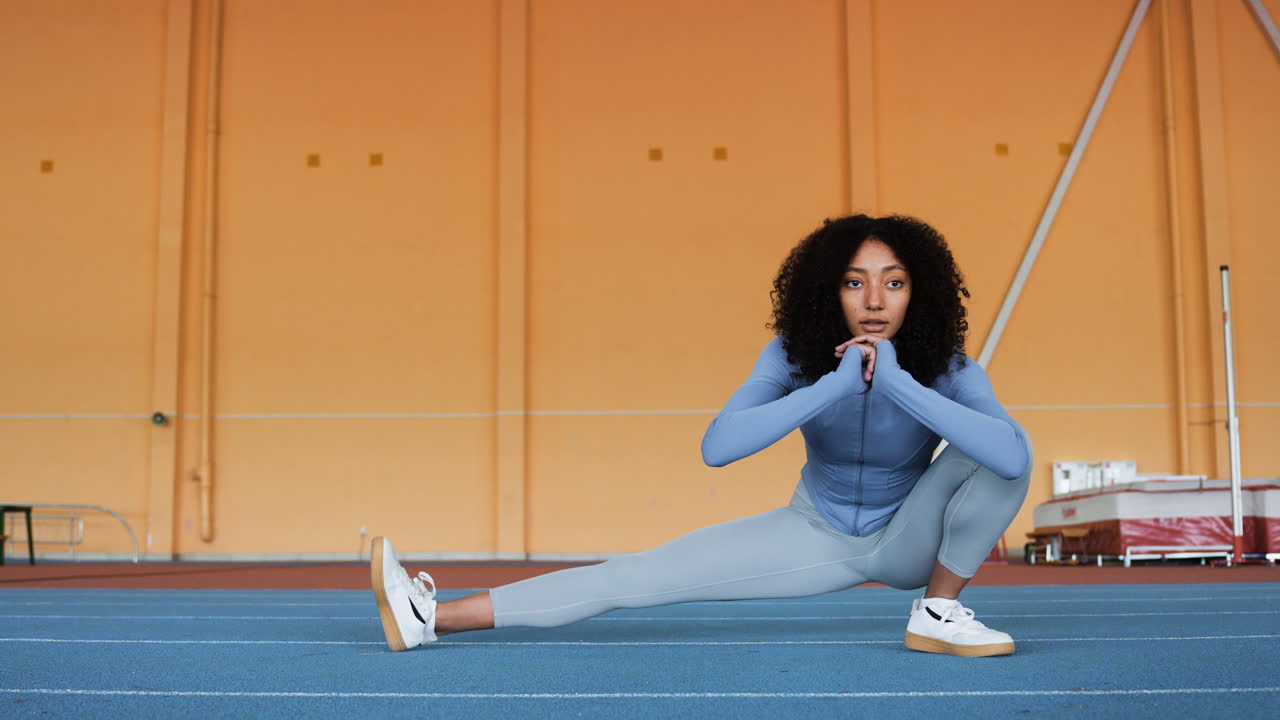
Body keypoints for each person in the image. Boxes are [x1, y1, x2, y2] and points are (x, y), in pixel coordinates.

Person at [371, 213, 1032, 657]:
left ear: (920, 292)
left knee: (1006, 445)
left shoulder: (947, 366)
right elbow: (718, 448)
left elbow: (1008, 458)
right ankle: (430, 617)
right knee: (635, 577)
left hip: (912, 537)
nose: (876, 301)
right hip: (818, 534)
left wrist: (896, 385)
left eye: (894, 283)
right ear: (828, 293)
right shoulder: (793, 357)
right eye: (855, 284)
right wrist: (830, 388)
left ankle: (937, 612)